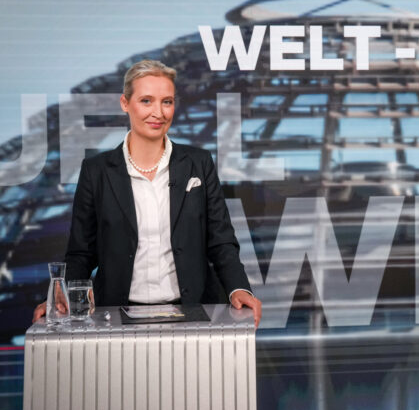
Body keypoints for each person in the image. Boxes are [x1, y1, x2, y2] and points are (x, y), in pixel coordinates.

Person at [33, 60, 261, 325]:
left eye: (167, 102)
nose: (158, 113)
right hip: (116, 313)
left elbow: (221, 241)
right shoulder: (96, 171)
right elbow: (81, 252)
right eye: (146, 101)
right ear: (125, 103)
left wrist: (239, 288)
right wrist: (62, 295)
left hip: (193, 312)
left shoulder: (199, 163)